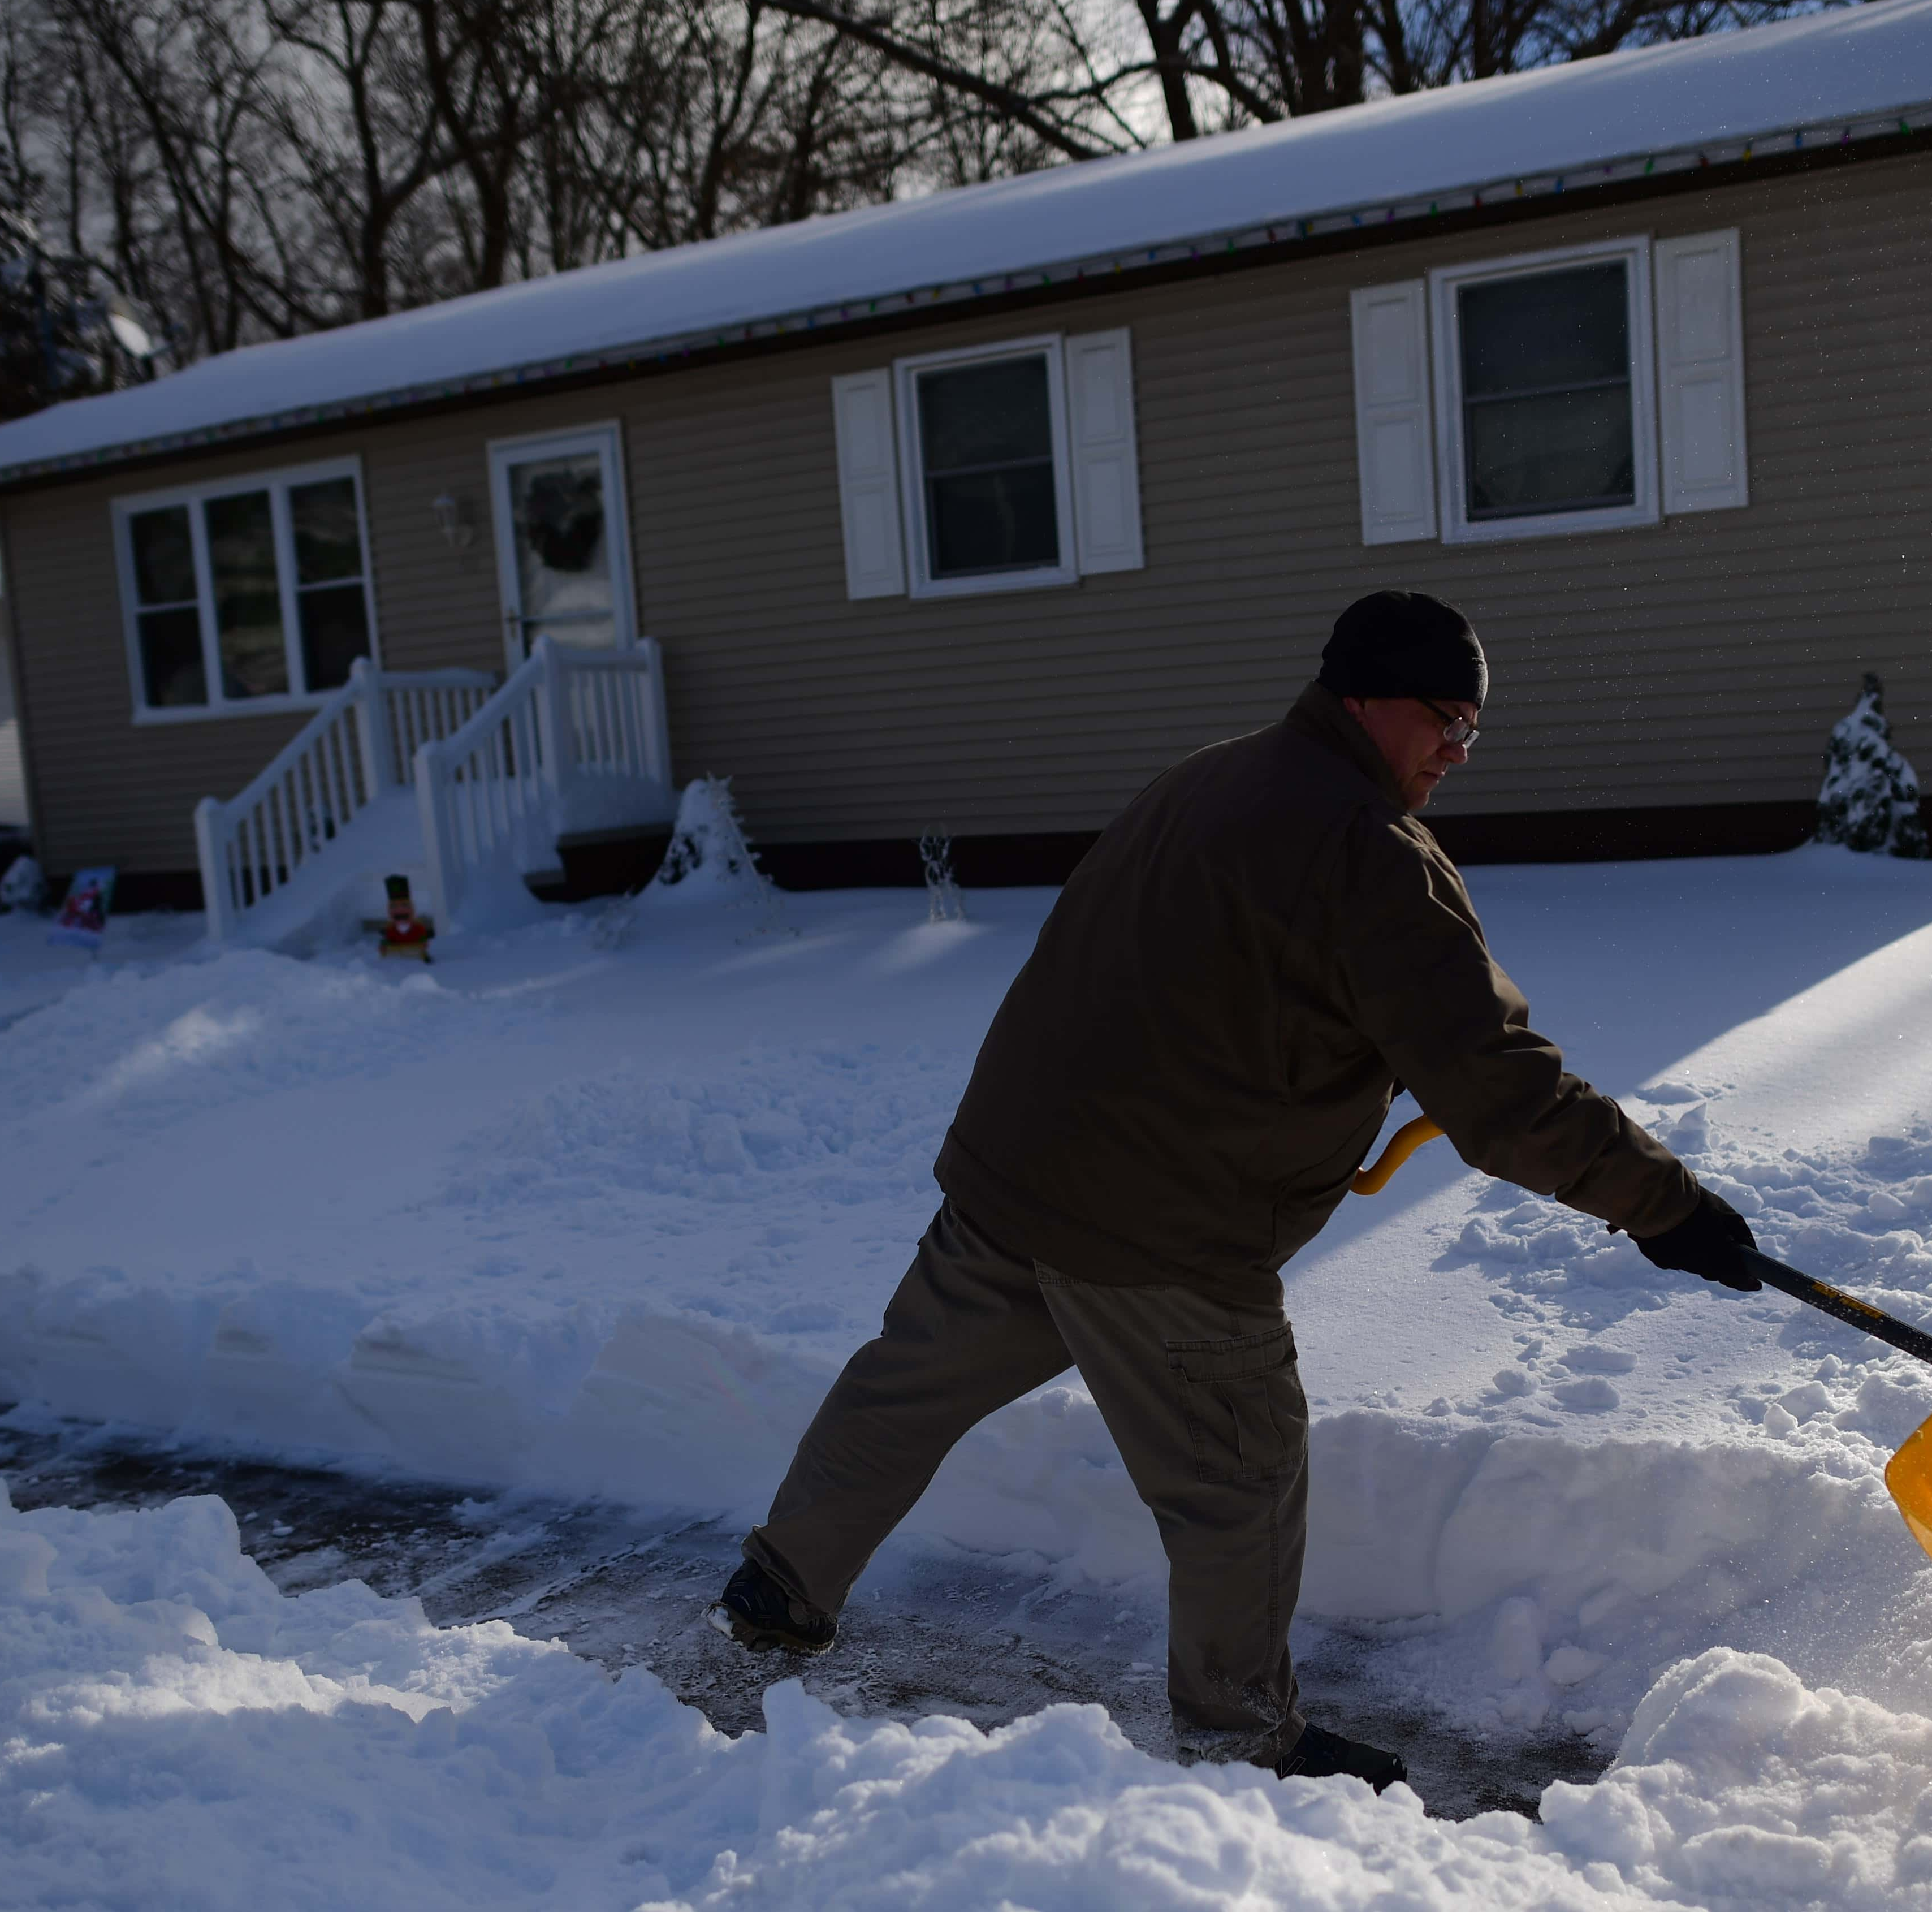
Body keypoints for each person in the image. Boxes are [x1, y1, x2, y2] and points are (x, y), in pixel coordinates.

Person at [714, 591, 1764, 1790]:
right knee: (1241, 1475)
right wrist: (1668, 1205)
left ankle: (776, 1590)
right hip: (1163, 1223)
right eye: (1447, 721)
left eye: (1474, 730)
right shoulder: (1369, 856)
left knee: (907, 1386)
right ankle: (1234, 1735)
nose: (1458, 754)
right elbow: (1501, 1089)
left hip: (1020, 1168)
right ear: (1370, 696)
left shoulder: (1213, 778)